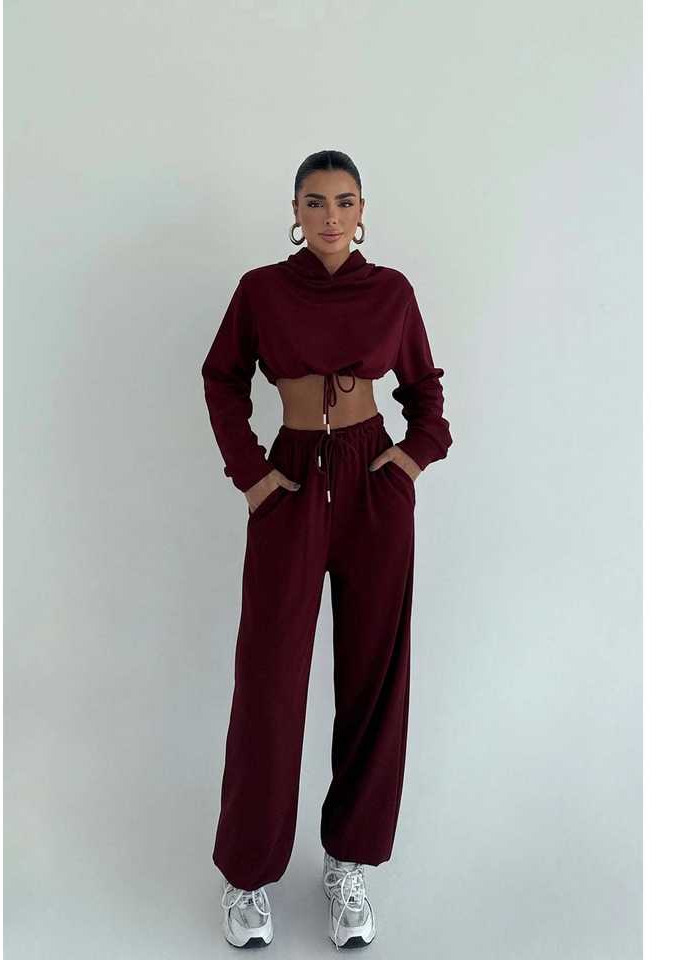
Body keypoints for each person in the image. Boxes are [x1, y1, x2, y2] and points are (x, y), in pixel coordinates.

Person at [201, 149, 453, 950]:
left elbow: (426, 393)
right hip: (291, 481)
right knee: (269, 679)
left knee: (375, 678)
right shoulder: (261, 291)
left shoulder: (392, 292)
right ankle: (248, 873)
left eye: (345, 202)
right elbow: (222, 378)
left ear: (363, 210)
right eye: (315, 202)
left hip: (372, 481)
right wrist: (252, 475)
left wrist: (409, 461)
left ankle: (348, 863)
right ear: (296, 212)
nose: (331, 216)